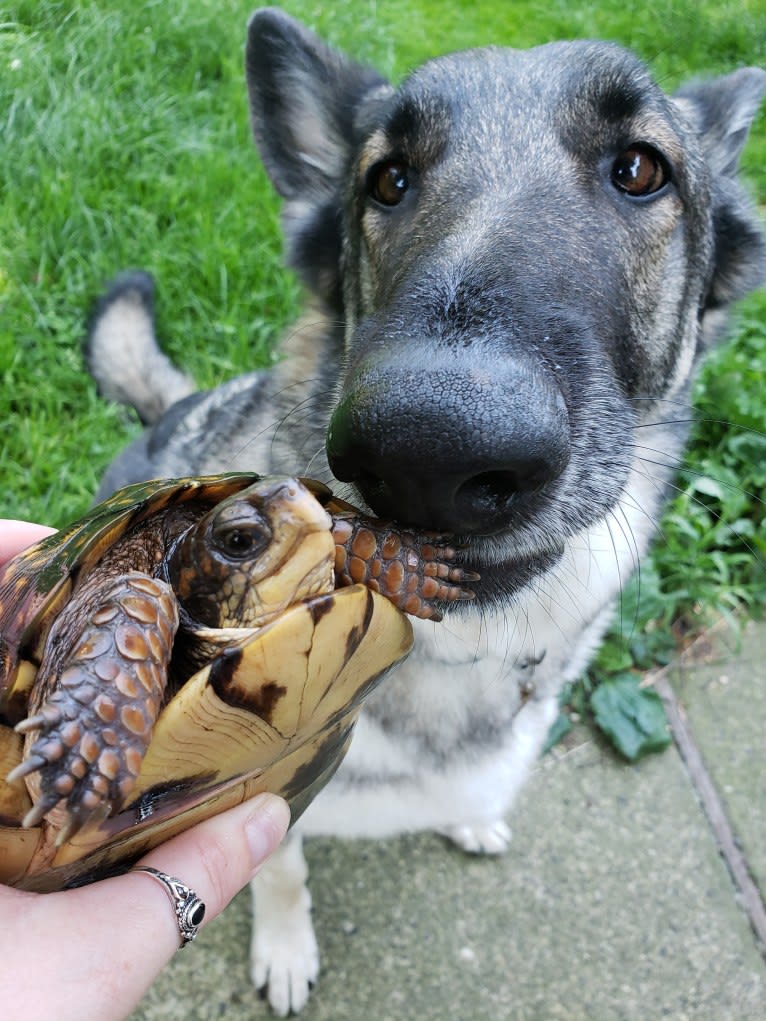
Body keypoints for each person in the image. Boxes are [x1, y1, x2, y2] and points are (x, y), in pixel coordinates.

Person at [0, 521, 291, 1021]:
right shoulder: (139, 592)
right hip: (42, 805)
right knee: (137, 601)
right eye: (239, 543)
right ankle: (83, 733)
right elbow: (138, 595)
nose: (303, 527)